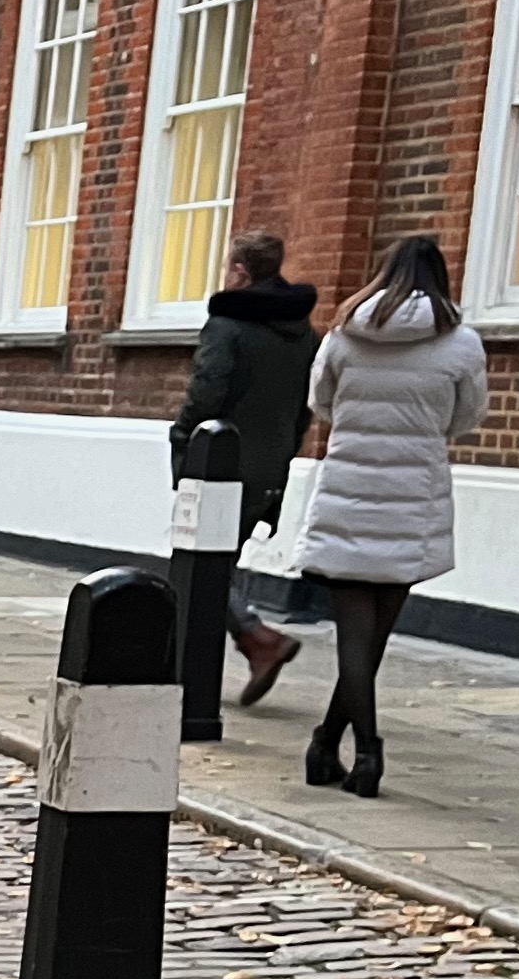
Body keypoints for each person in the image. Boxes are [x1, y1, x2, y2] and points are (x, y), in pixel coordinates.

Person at [294, 235, 489, 798]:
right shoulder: (460, 343)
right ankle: (363, 751)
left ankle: (334, 744)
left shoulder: (343, 335)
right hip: (414, 494)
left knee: (354, 634)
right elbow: (468, 415)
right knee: (375, 634)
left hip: (349, 486)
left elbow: (321, 403)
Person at [168, 232, 318, 709]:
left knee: (200, 569)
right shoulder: (303, 333)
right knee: (220, 563)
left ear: (239, 271)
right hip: (270, 462)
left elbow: (207, 389)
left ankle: (257, 640)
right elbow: (304, 407)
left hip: (220, 459)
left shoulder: (227, 323)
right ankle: (244, 648)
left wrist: (184, 437)